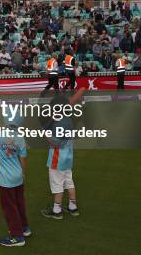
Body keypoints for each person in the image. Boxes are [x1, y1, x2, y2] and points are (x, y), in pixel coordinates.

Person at [40, 88, 86, 221]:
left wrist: (46, 135)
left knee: (57, 185)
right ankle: (73, 207)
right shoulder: (69, 121)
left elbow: (56, 143)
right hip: (68, 159)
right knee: (69, 182)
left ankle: (56, 210)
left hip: (57, 159)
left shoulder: (58, 123)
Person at [0, 117, 30, 247]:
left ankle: (17, 236)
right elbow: (23, 158)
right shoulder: (20, 138)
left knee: (9, 207)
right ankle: (24, 228)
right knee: (20, 203)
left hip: (5, 178)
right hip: (18, 176)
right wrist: (22, 173)